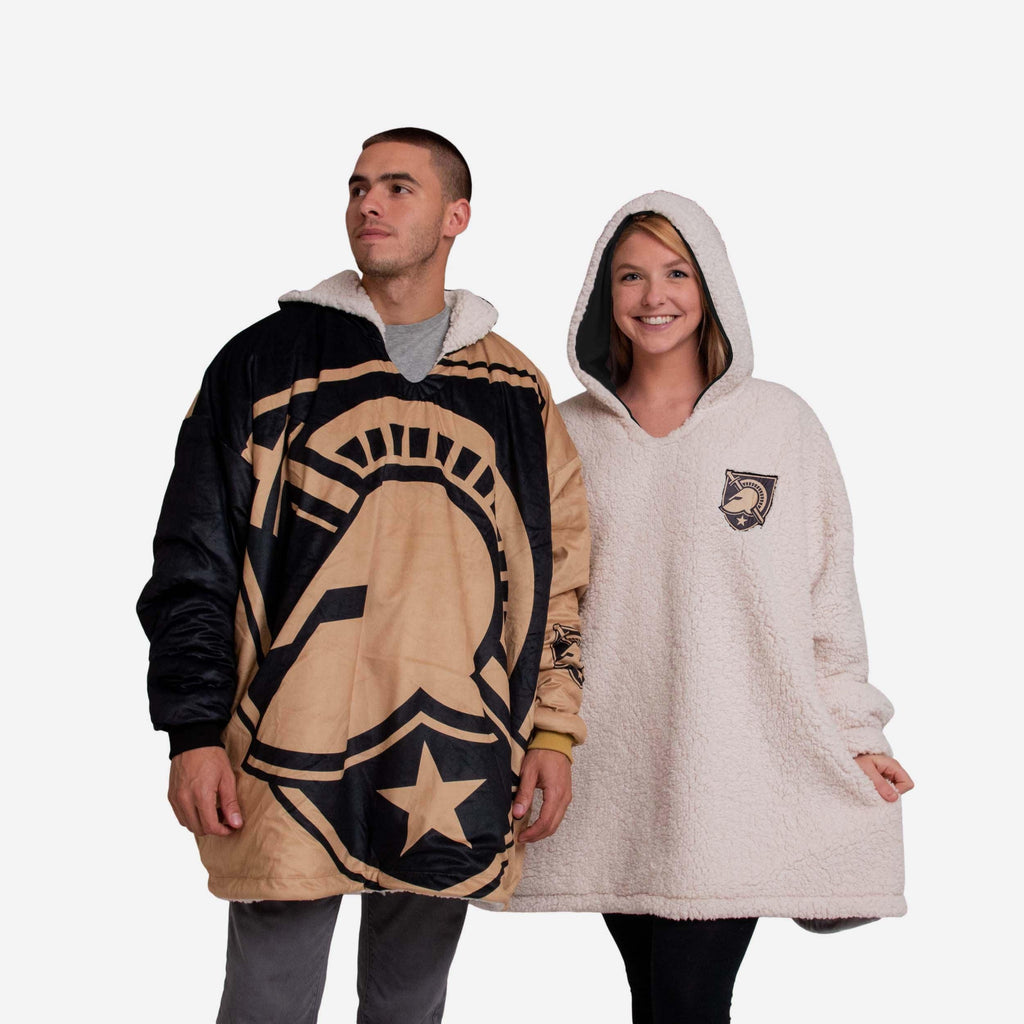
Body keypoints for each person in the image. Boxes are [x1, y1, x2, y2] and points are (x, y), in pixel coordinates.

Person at [136, 127, 590, 1024]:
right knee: (268, 997)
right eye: (357, 187)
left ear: (456, 216)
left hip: (457, 750)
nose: (368, 205)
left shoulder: (515, 390)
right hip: (286, 747)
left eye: (397, 187)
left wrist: (553, 731)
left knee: (409, 1000)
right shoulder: (262, 362)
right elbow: (194, 560)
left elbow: (560, 575)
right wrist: (191, 729)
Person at [511, 192, 913, 1023]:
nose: (653, 295)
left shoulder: (780, 425)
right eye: (631, 276)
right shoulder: (566, 433)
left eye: (676, 273)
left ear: (712, 286)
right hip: (613, 768)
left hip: (739, 766)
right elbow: (541, 598)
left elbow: (827, 598)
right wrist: (536, 731)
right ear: (603, 295)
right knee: (662, 998)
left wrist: (857, 734)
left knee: (686, 1000)